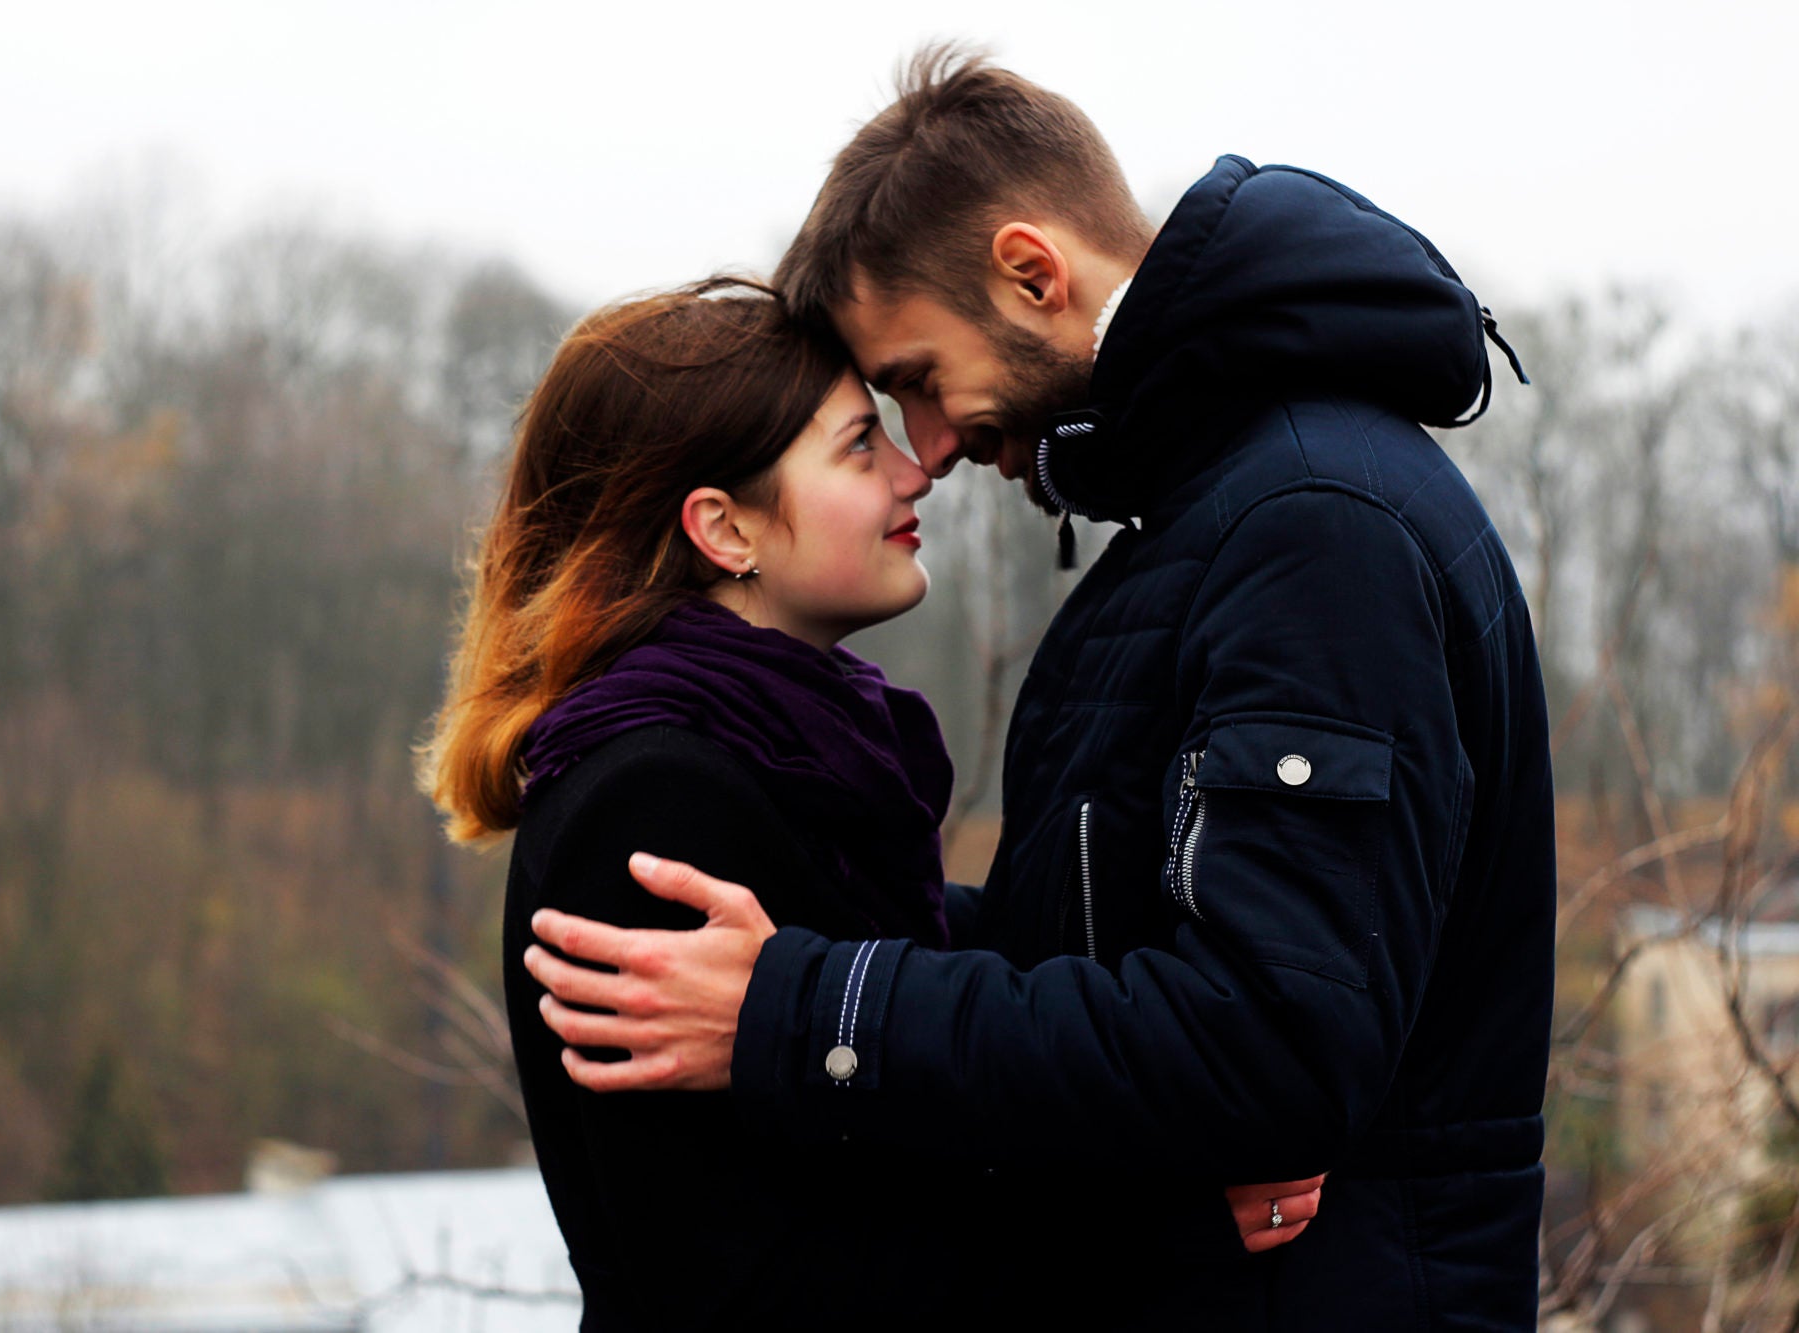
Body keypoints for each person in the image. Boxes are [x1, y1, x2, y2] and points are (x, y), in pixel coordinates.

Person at [523, 49, 1554, 1331]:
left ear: (1029, 272)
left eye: (911, 380)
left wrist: (806, 1007)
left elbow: (1275, 1042)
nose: (933, 449)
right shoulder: (1210, 515)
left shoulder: (1306, 527)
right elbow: (1145, 943)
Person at [419, 279, 1316, 1331]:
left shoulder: (782, 758)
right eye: (857, 447)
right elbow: (745, 1278)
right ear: (721, 526)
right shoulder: (649, 804)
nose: (913, 471)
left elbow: (919, 992)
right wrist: (1165, 1209)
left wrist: (1201, 1081)